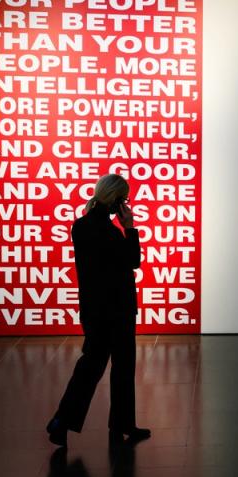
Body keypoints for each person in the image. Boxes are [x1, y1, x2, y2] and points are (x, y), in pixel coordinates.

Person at [46, 174, 151, 447]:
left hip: (94, 310)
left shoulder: (81, 226)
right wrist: (130, 228)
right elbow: (133, 261)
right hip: (118, 310)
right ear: (116, 199)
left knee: (90, 368)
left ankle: (62, 421)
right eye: (125, 198)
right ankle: (121, 424)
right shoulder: (108, 230)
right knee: (122, 368)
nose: (126, 204)